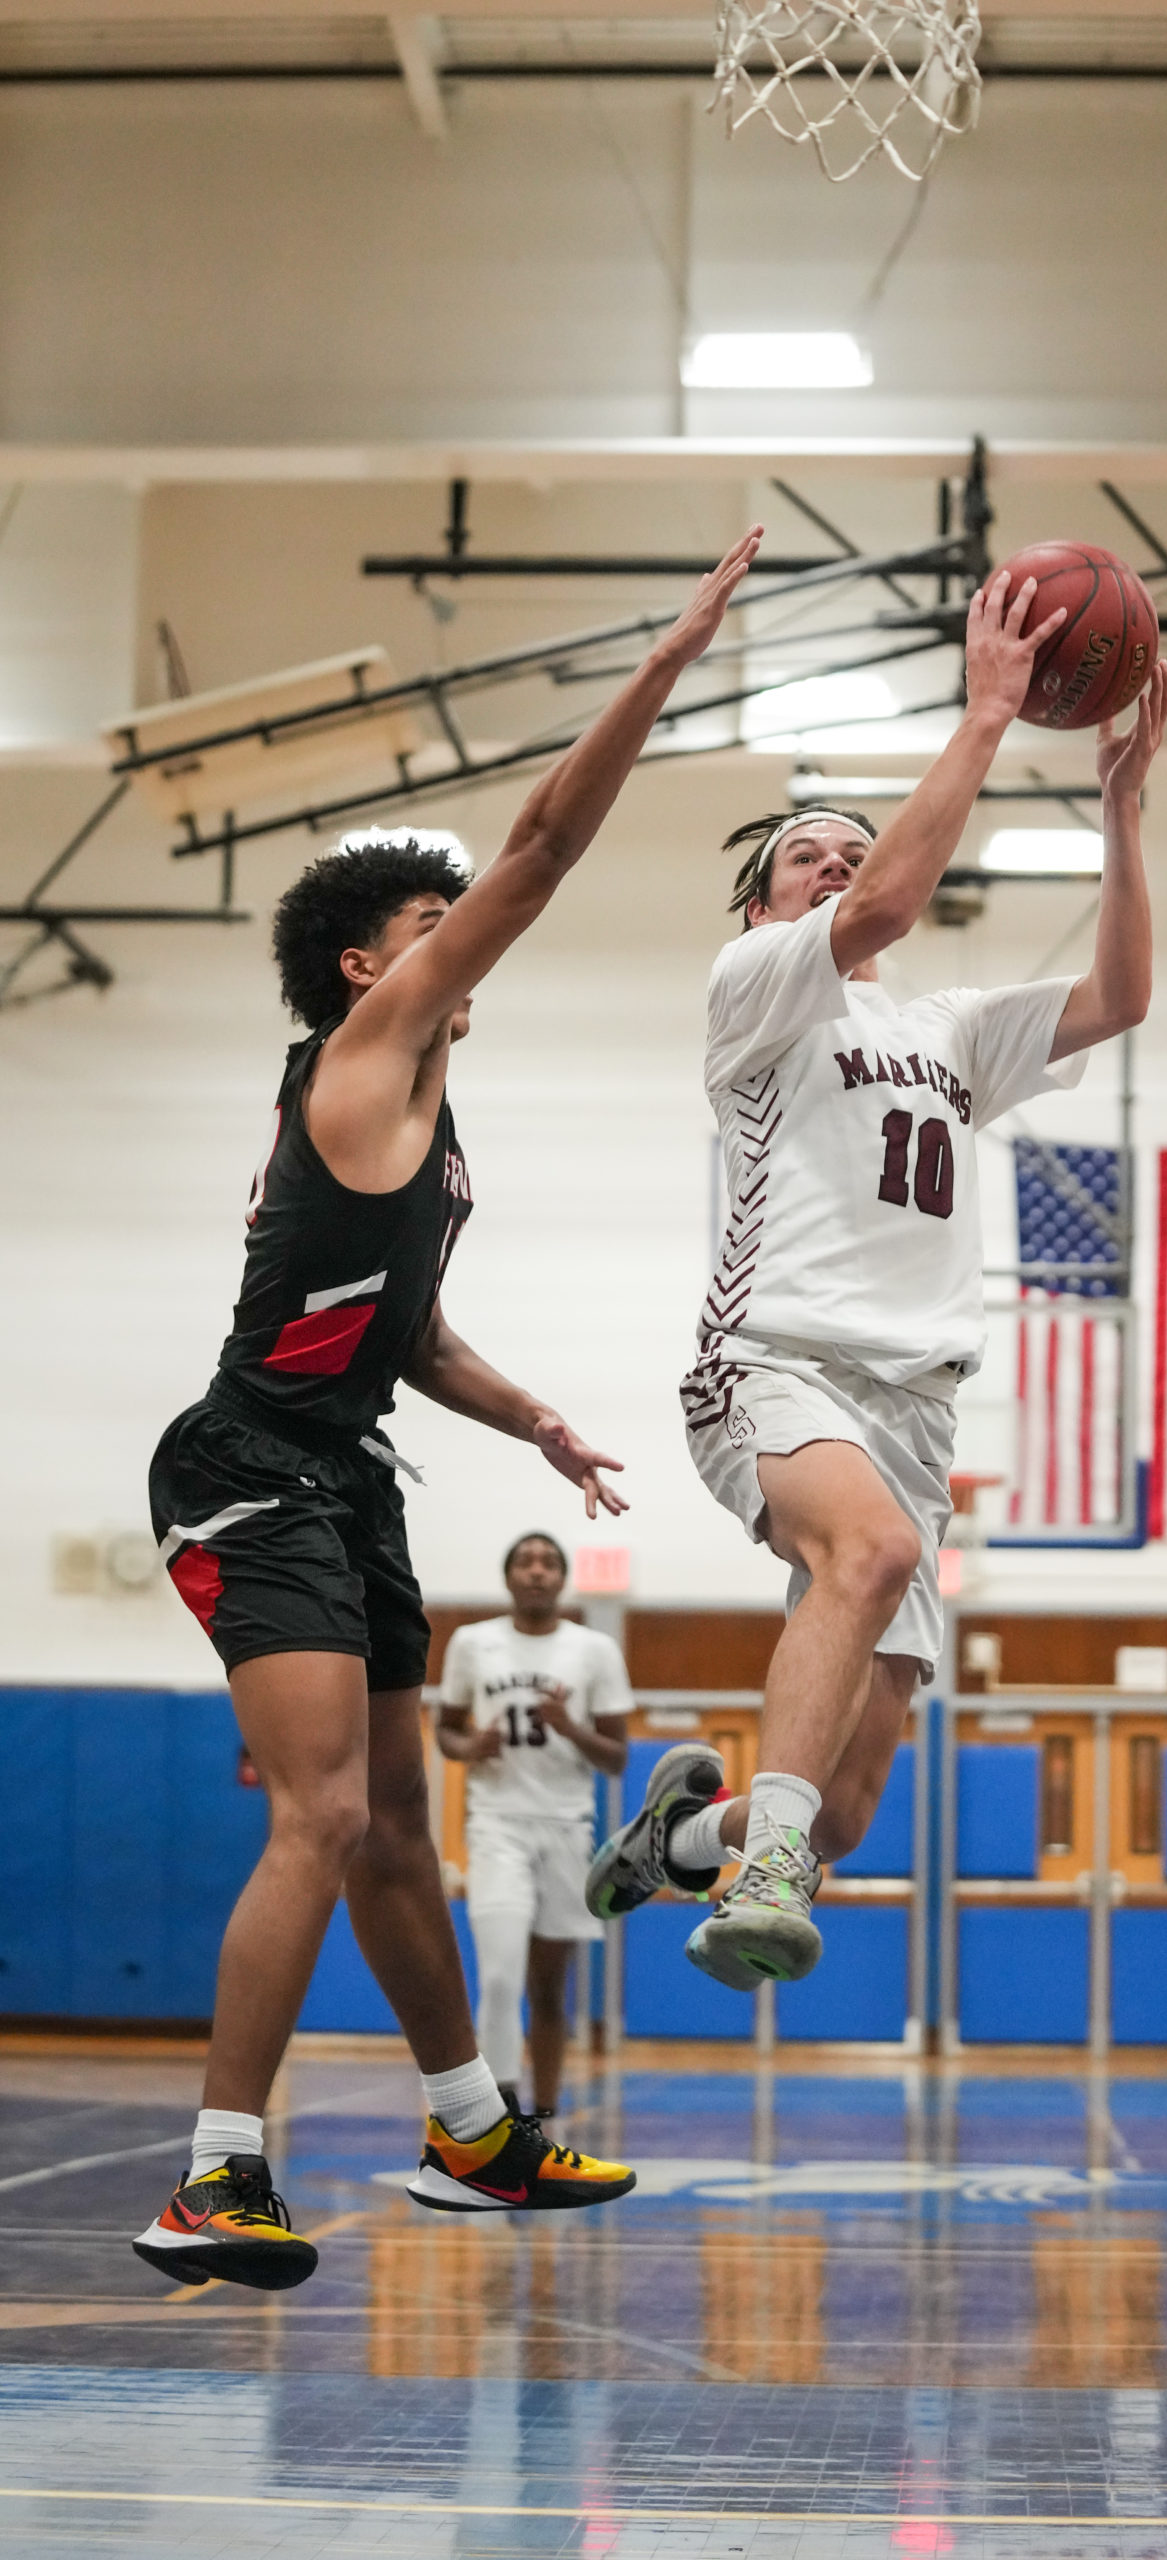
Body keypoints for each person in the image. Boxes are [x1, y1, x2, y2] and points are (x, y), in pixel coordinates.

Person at [133, 528, 761, 2292]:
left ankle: (474, 2130)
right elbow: (551, 843)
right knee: (323, 1817)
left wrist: (538, 1418)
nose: (459, 936)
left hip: (344, 1468)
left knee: (405, 1824)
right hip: (245, 1467)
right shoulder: (362, 1055)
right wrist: (668, 659)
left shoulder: (423, 1128)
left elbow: (400, 1336)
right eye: (429, 923)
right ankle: (218, 2174)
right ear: (365, 969)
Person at [589, 572, 1167, 1992]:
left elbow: (1118, 1001)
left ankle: (688, 1840)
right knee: (875, 1555)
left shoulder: (946, 1027)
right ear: (760, 905)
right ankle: (757, 1872)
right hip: (773, 1358)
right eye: (808, 854)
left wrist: (1119, 813)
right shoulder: (754, 991)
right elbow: (894, 893)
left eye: (854, 845)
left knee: (846, 1804)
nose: (839, 863)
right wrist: (983, 710)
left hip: (913, 1406)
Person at [437, 1532, 630, 2118]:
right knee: (498, 1976)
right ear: (508, 1576)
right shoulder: (473, 1643)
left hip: (567, 1826)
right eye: (526, 1561)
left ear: (564, 1578)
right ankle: (500, 2107)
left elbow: (617, 1758)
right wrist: (472, 1745)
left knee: (548, 1990)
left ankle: (544, 2113)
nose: (537, 1572)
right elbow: (446, 1729)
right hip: (496, 1825)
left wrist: (569, 1728)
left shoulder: (594, 1649)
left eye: (549, 1563)